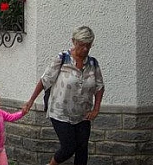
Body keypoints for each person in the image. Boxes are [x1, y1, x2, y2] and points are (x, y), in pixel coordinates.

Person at [23, 26, 105, 165]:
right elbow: (45, 80)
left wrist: (96, 109)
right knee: (68, 147)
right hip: (60, 112)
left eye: (88, 45)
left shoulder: (93, 63)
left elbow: (99, 86)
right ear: (74, 41)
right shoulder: (63, 58)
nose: (85, 49)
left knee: (82, 149)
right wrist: (31, 100)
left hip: (83, 114)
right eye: (81, 45)